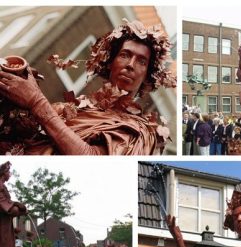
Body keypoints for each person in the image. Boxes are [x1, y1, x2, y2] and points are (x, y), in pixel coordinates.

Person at [0, 19, 176, 155]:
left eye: (141, 61)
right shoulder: (71, 108)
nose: (131, 64)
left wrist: (36, 102)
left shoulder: (138, 131)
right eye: (124, 55)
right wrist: (17, 97)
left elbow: (91, 157)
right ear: (109, 63)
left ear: (147, 77)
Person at [0, 161, 27, 247]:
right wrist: (18, 207)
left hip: (6, 223)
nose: (10, 174)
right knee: (4, 245)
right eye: (8, 172)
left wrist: (17, 206)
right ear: (3, 173)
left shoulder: (2, 185)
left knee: (9, 246)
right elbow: (5, 206)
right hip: (2, 224)